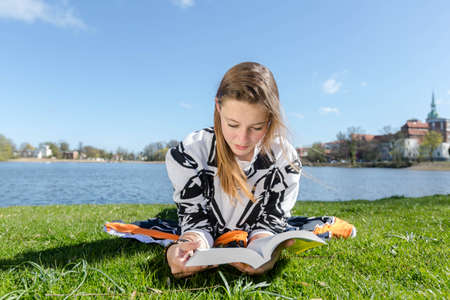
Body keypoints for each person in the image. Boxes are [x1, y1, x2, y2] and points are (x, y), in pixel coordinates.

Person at [165, 61, 303, 278]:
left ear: (270, 120)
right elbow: (194, 218)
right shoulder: (191, 153)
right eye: (232, 124)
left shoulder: (284, 160)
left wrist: (264, 248)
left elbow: (272, 219)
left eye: (256, 128)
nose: (242, 139)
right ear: (218, 107)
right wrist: (188, 244)